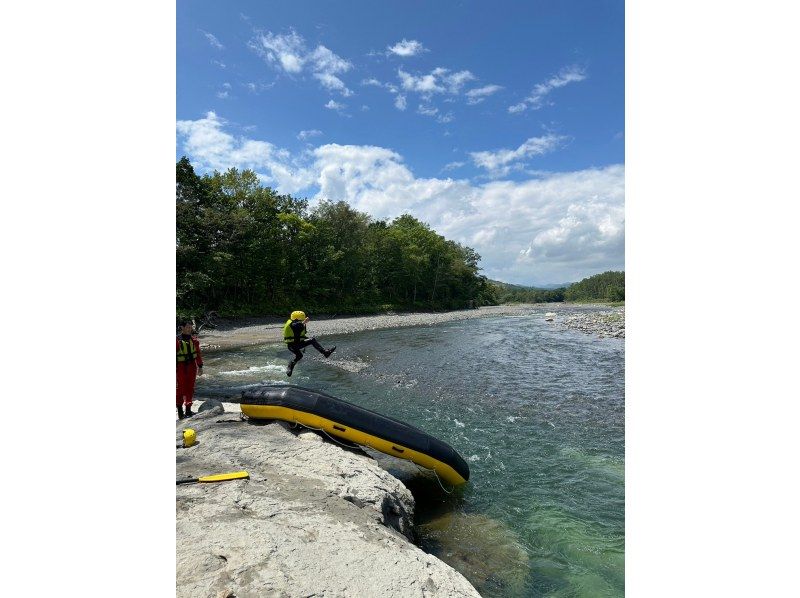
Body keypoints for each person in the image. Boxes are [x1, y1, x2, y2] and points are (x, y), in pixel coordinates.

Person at [283, 310, 335, 376]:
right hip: (293, 345)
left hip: (295, 345)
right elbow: (296, 326)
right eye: (300, 319)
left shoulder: (295, 324)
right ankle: (325, 353)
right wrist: (304, 322)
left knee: (299, 356)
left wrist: (304, 345)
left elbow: (301, 336)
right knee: (312, 340)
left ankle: (290, 366)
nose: (301, 321)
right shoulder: (293, 324)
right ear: (296, 319)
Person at [176, 319, 203, 419]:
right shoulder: (176, 340)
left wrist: (200, 366)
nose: (189, 329)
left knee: (190, 388)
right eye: (187, 327)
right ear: (182, 328)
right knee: (179, 389)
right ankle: (180, 411)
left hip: (192, 366)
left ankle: (188, 410)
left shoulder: (194, 341)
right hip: (180, 367)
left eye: (190, 327)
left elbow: (198, 354)